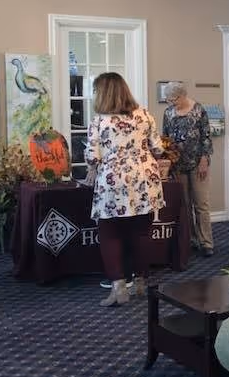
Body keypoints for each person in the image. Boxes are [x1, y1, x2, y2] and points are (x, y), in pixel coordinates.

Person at [85, 72, 165, 307]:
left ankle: (119, 288)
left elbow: (92, 157)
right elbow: (158, 149)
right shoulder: (145, 115)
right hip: (144, 180)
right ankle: (140, 282)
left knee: (110, 235)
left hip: (113, 182)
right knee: (141, 234)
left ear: (103, 93)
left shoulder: (99, 122)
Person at [162, 81, 214, 256]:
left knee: (201, 204)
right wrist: (167, 160)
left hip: (198, 163)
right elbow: (165, 138)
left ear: (183, 95)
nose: (171, 103)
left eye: (174, 99)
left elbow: (206, 137)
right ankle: (190, 240)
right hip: (178, 165)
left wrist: (204, 160)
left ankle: (206, 242)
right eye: (168, 100)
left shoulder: (199, 110)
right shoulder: (168, 112)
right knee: (184, 204)